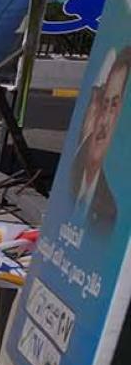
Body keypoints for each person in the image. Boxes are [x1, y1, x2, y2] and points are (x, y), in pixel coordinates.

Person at [69, 46, 127, 231]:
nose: (102, 121)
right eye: (102, 103)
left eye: (113, 106)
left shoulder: (109, 211)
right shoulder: (69, 179)